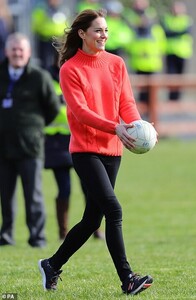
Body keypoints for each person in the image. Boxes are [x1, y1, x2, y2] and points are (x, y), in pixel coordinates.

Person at [38, 9, 154, 295]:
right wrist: (114, 127)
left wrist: (139, 128)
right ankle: (128, 279)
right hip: (85, 150)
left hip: (114, 150)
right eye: (98, 31)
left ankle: (52, 264)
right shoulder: (70, 69)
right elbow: (80, 112)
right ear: (82, 34)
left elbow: (126, 102)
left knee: (93, 219)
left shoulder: (116, 63)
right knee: (114, 210)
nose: (104, 35)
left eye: (106, 31)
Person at [0, 32, 60, 247]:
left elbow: (52, 108)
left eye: (21, 50)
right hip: (3, 145)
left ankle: (37, 236)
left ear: (28, 53)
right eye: (13, 49)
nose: (17, 53)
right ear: (7, 51)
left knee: (33, 194)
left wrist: (34, 128)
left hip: (30, 145)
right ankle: (5, 235)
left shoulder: (39, 77)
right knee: (5, 195)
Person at [44, 54, 104, 240]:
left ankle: (95, 228)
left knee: (89, 187)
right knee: (65, 188)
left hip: (79, 139)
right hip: (56, 143)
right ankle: (63, 232)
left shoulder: (79, 76)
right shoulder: (47, 80)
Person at [160, 1, 193, 101]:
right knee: (170, 76)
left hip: (182, 53)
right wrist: (177, 33)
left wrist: (174, 32)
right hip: (170, 52)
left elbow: (186, 31)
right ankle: (171, 98)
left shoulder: (187, 20)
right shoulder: (167, 19)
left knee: (180, 77)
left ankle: (178, 98)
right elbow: (167, 32)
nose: (176, 10)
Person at [31, 0, 70, 69]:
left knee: (59, 62)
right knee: (44, 62)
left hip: (59, 39)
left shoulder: (63, 9)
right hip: (45, 39)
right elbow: (36, 24)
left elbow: (66, 24)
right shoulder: (41, 9)